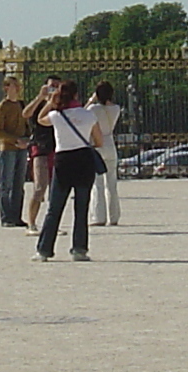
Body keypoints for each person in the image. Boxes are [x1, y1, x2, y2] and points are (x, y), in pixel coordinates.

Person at [34, 79, 107, 262]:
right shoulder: (88, 115)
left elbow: (39, 120)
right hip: (83, 159)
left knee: (55, 207)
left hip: (63, 160)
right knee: (81, 207)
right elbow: (99, 142)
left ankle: (44, 250)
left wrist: (50, 103)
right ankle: (79, 249)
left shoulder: (57, 116)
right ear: (77, 95)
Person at [23, 77, 61, 230]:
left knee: (56, 188)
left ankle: (52, 224)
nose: (54, 89)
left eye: (57, 86)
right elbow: (25, 114)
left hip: (57, 148)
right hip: (40, 148)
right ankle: (31, 223)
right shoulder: (39, 105)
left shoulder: (60, 105)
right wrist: (40, 97)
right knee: (40, 187)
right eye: (52, 86)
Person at [0, 76, 30, 226]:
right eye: (15, 85)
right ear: (6, 88)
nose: (18, 88)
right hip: (8, 148)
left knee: (19, 184)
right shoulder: (2, 107)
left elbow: (26, 126)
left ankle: (16, 216)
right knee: (7, 184)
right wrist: (16, 140)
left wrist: (27, 139)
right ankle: (6, 217)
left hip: (21, 148)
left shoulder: (21, 105)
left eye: (18, 85)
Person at [85, 80, 124, 225]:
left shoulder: (93, 109)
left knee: (98, 183)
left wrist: (90, 100)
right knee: (112, 183)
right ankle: (114, 216)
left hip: (97, 143)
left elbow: (81, 115)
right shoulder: (116, 108)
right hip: (110, 142)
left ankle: (98, 216)